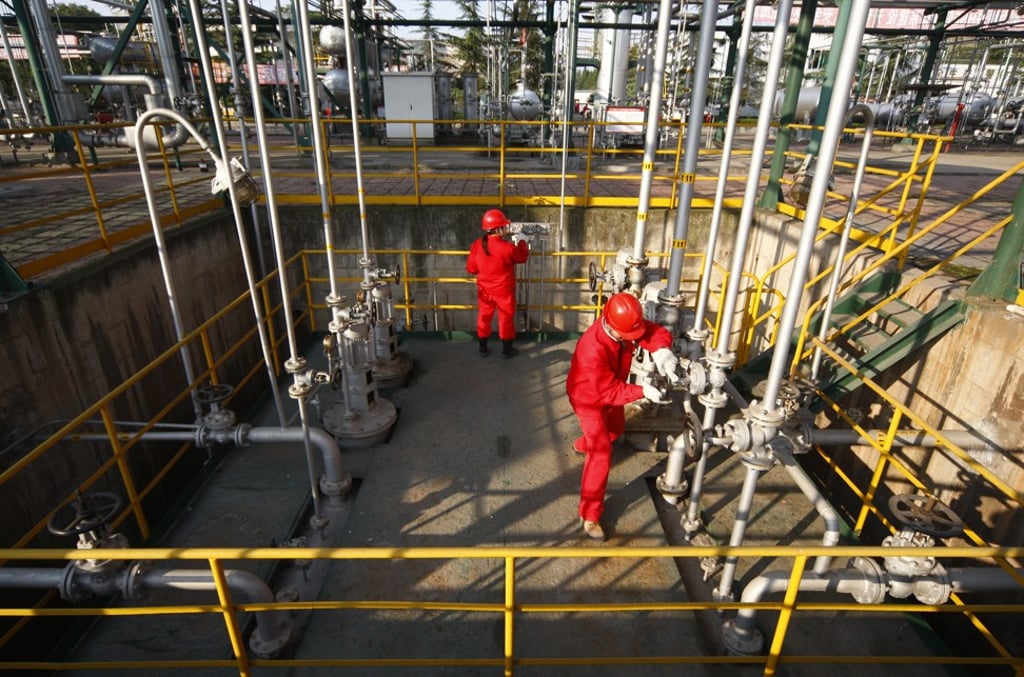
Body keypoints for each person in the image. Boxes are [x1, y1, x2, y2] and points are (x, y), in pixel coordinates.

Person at [565, 292, 680, 541]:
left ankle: (582, 443)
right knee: (602, 453)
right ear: (610, 324)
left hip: (610, 390)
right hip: (588, 399)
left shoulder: (623, 324)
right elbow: (608, 391)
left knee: (615, 430)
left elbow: (648, 332)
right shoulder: (591, 349)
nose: (631, 339)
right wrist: (642, 391)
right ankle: (590, 515)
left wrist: (663, 352)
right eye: (627, 336)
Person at [465, 208, 530, 358]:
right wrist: (522, 242)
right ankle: (507, 351)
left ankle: (483, 348)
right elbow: (522, 258)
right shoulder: (508, 248)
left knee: (484, 317)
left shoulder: (477, 245)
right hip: (504, 291)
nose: (507, 228)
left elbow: (471, 268)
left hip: (485, 291)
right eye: (505, 226)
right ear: (499, 228)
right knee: (506, 318)